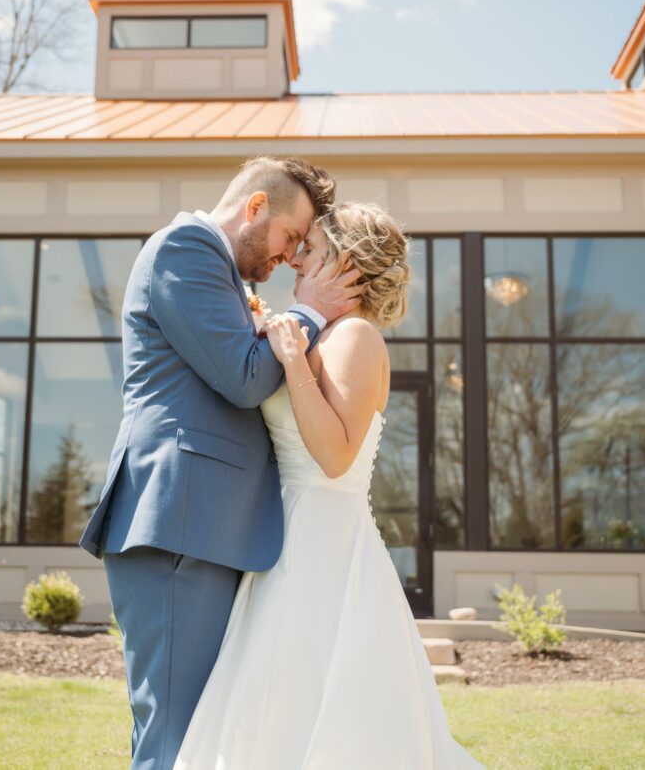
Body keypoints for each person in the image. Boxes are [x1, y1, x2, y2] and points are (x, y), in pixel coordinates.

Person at [174, 202, 484, 769]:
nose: (295, 259)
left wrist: (293, 362)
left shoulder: (357, 337)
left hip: (325, 542)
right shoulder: (321, 332)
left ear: (348, 264)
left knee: (316, 694)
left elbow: (336, 456)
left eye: (311, 250)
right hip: (285, 534)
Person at [78, 156, 363, 770]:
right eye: (290, 237)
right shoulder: (185, 248)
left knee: (198, 737)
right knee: (176, 738)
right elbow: (243, 377)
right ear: (255, 208)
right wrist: (310, 310)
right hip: (182, 522)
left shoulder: (227, 278)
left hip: (207, 528)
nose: (288, 258)